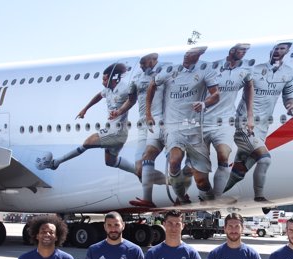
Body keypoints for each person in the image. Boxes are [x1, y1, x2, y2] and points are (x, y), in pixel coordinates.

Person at [144, 47, 219, 204]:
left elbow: (216, 95)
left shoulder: (205, 70)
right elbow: (152, 84)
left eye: (191, 55)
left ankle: (210, 202)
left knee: (201, 180)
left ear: (198, 56)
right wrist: (148, 113)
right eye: (186, 54)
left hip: (194, 129)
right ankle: (181, 197)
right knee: (174, 160)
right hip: (174, 127)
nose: (186, 57)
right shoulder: (171, 70)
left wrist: (204, 103)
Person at [224, 42, 293, 202]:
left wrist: (291, 106)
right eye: (276, 48)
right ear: (272, 50)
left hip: (262, 127)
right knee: (264, 159)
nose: (278, 51)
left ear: (287, 51)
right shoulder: (255, 70)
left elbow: (288, 95)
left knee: (240, 168)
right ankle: (259, 196)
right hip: (245, 124)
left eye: (282, 49)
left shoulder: (287, 72)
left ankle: (222, 191)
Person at [36, 62, 137, 174]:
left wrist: (120, 111)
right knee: (110, 162)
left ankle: (56, 162)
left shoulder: (124, 88)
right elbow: (99, 96)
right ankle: (139, 172)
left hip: (117, 132)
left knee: (87, 143)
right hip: (115, 131)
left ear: (113, 78)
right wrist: (85, 109)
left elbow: (132, 99)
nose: (102, 82)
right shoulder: (108, 89)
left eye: (104, 80)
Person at [202, 44, 254, 198]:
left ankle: (216, 197)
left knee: (224, 160)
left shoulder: (244, 71)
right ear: (232, 51)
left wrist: (249, 114)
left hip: (225, 121)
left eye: (245, 51)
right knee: (197, 164)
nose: (243, 54)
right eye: (241, 51)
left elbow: (249, 87)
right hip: (203, 121)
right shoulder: (213, 67)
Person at [128, 53, 167, 191]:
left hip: (159, 123)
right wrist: (119, 111)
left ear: (153, 60)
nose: (140, 66)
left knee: (148, 160)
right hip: (143, 124)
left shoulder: (166, 70)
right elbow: (131, 100)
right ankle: (172, 183)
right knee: (139, 170)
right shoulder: (138, 77)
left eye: (143, 63)